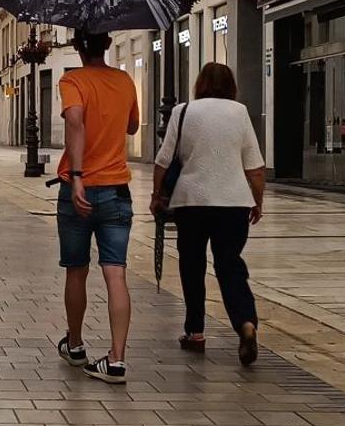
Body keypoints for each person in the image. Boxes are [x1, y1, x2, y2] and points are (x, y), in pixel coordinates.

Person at [150, 63, 265, 366]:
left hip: (192, 201)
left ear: (200, 84)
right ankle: (246, 323)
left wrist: (156, 195)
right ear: (231, 85)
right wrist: (257, 200)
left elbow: (163, 160)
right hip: (233, 202)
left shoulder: (183, 111)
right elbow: (255, 166)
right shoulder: (239, 112)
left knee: (192, 266)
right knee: (230, 265)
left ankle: (195, 332)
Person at [55, 29, 139, 384]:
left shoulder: (72, 80)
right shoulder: (124, 81)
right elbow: (133, 127)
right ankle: (116, 360)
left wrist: (76, 176)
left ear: (76, 46)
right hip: (117, 189)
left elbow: (74, 119)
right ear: (106, 44)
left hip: (79, 190)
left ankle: (75, 345)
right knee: (115, 272)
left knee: (77, 269)